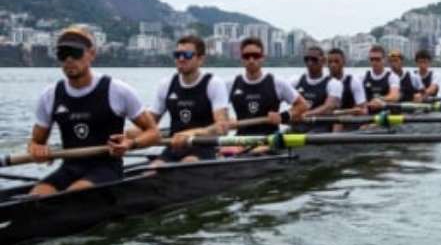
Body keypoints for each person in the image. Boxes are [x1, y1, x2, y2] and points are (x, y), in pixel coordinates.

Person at [27, 27, 160, 195]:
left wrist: (131, 143)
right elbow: (35, 142)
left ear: (91, 54)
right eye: (62, 53)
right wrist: (36, 150)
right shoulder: (50, 95)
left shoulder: (117, 90)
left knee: (71, 197)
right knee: (34, 198)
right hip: (69, 169)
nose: (68, 59)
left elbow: (154, 133)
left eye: (75, 53)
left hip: (106, 169)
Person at [144, 35, 230, 164]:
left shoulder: (213, 84)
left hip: (204, 148)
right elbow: (148, 125)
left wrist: (193, 133)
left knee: (188, 163)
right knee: (152, 170)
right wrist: (128, 137)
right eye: (178, 54)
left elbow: (222, 127)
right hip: (174, 148)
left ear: (200, 59)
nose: (181, 59)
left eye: (187, 55)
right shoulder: (166, 85)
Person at [229, 37, 308, 136]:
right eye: (247, 56)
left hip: (269, 141)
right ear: (242, 59)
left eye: (256, 56)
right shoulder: (233, 83)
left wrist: (282, 116)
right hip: (241, 140)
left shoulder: (277, 82)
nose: (251, 60)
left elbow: (303, 105)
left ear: (262, 58)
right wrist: (225, 120)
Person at [290, 46, 343, 132]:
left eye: (314, 59)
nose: (309, 63)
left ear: (323, 61)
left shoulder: (334, 83)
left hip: (320, 127)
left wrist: (305, 114)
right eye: (307, 59)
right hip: (299, 126)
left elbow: (328, 107)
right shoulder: (296, 80)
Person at [327, 48, 367, 131]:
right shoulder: (324, 82)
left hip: (347, 121)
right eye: (330, 62)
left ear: (343, 63)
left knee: (338, 122)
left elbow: (363, 110)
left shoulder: (353, 81)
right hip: (326, 120)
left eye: (336, 61)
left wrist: (340, 113)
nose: (333, 65)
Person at [362, 45, 400, 113]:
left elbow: (394, 96)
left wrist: (380, 99)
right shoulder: (363, 77)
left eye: (377, 59)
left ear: (384, 60)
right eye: (372, 59)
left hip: (387, 114)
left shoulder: (392, 77)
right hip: (368, 114)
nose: (374, 62)